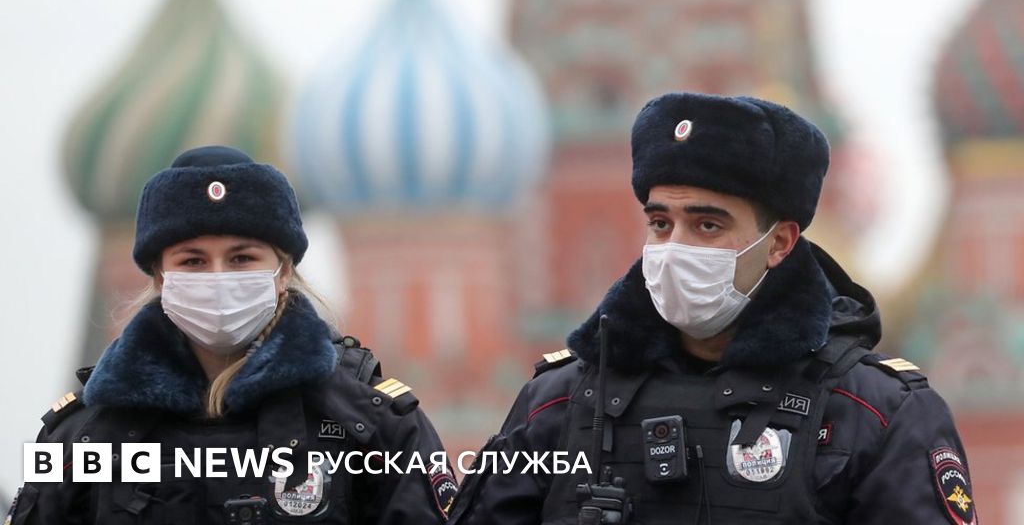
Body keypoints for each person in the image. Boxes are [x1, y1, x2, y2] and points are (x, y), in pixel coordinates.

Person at [448, 92, 977, 524]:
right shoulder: (560, 402)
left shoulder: (873, 414)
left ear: (779, 243)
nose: (675, 248)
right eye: (661, 223)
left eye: (707, 225)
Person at [9, 146, 457, 524]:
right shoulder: (85, 436)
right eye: (193, 261)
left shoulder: (368, 422)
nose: (218, 277)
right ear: (161, 277)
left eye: (242, 259)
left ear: (283, 271)